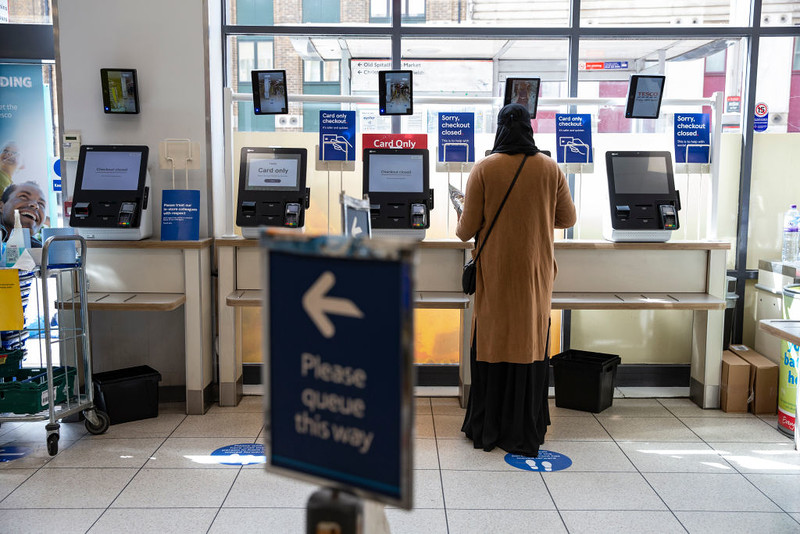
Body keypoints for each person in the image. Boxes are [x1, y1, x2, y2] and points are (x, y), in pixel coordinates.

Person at [456, 103, 576, 457]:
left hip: (496, 274)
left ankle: (488, 426)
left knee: (493, 341)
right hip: (535, 275)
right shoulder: (550, 168)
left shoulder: (484, 168)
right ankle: (526, 427)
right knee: (529, 341)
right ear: (530, 129)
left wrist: (465, 211)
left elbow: (465, 231)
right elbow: (566, 219)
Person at [0, 181, 47, 247]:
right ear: (1, 206)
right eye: (23, 196)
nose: (35, 205)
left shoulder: (42, 251)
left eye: (41, 204)